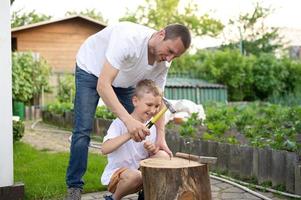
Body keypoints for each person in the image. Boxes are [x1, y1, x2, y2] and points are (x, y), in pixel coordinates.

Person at [66, 21, 191, 199]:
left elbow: (159, 101)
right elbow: (103, 85)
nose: (170, 59)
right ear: (161, 34)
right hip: (91, 70)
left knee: (140, 121)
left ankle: (140, 182)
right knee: (83, 129)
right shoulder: (129, 38)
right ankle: (74, 187)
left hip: (123, 81)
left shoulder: (163, 63)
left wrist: (161, 138)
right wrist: (128, 121)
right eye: (170, 51)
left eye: (175, 56)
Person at [101, 79, 170, 200]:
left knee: (163, 156)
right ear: (135, 101)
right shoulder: (120, 123)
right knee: (136, 176)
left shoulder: (152, 127)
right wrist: (130, 133)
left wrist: (152, 149)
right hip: (118, 176)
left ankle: (145, 194)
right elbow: (104, 149)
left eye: (157, 106)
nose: (153, 110)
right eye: (149, 105)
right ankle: (113, 198)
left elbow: (151, 156)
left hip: (139, 172)